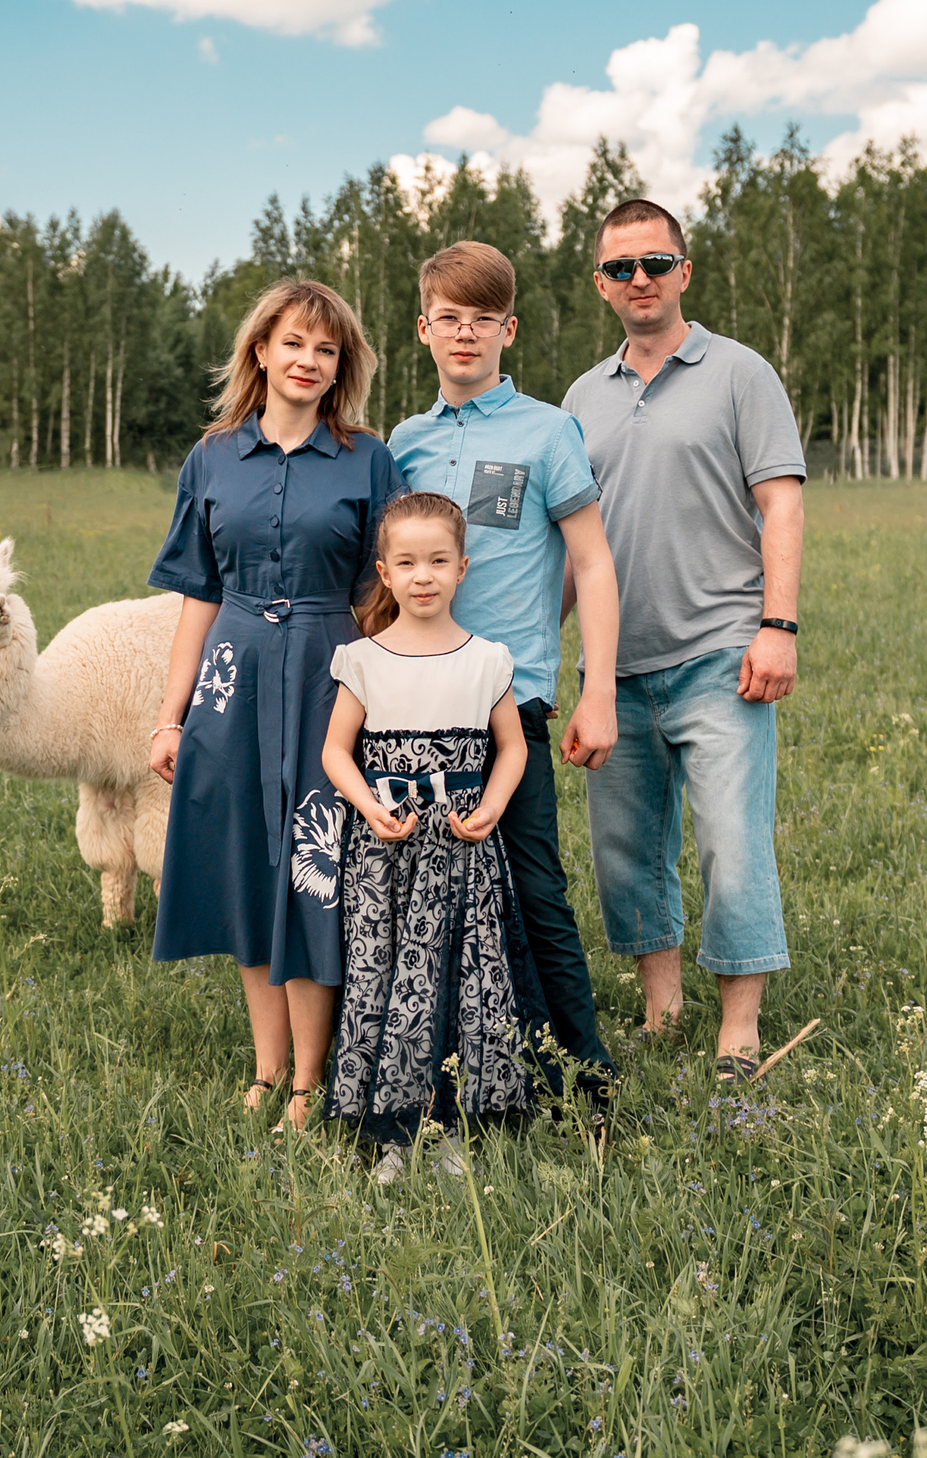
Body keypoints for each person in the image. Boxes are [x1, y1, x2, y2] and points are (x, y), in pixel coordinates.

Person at [147, 278, 406, 1132]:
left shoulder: (368, 459)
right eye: (294, 343)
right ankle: (266, 1069)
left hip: (333, 678)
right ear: (261, 350)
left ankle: (311, 1080)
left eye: (326, 350)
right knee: (249, 869)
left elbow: (390, 590)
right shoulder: (213, 458)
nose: (308, 361)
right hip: (235, 675)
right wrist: (169, 714)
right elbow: (195, 594)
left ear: (342, 368)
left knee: (316, 868)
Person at [561, 198, 806, 1079]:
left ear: (685, 273)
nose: (640, 280)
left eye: (656, 264)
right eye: (622, 268)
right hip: (613, 668)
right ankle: (662, 1006)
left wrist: (776, 628)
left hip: (722, 654)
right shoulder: (582, 399)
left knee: (733, 843)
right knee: (626, 851)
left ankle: (738, 1030)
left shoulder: (741, 374)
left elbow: (780, 500)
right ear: (601, 283)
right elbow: (570, 541)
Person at [384, 241, 621, 1121]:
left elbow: (592, 562)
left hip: (507, 701)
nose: (465, 333)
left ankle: (585, 1076)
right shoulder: (403, 445)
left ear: (508, 329)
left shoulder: (549, 431)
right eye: (449, 317)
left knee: (532, 883)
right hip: (415, 700)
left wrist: (595, 688)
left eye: (483, 318)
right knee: (425, 890)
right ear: (424, 330)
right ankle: (448, 1068)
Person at [316, 492, 540, 1184]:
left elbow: (512, 748)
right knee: (387, 978)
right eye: (407, 563)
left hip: (461, 848)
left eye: (438, 561)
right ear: (383, 573)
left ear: (463, 568)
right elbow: (335, 753)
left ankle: (447, 1127)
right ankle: (392, 1134)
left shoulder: (486, 661)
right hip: (386, 851)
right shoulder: (364, 660)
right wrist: (368, 808)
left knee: (460, 976)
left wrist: (493, 806)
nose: (423, 576)